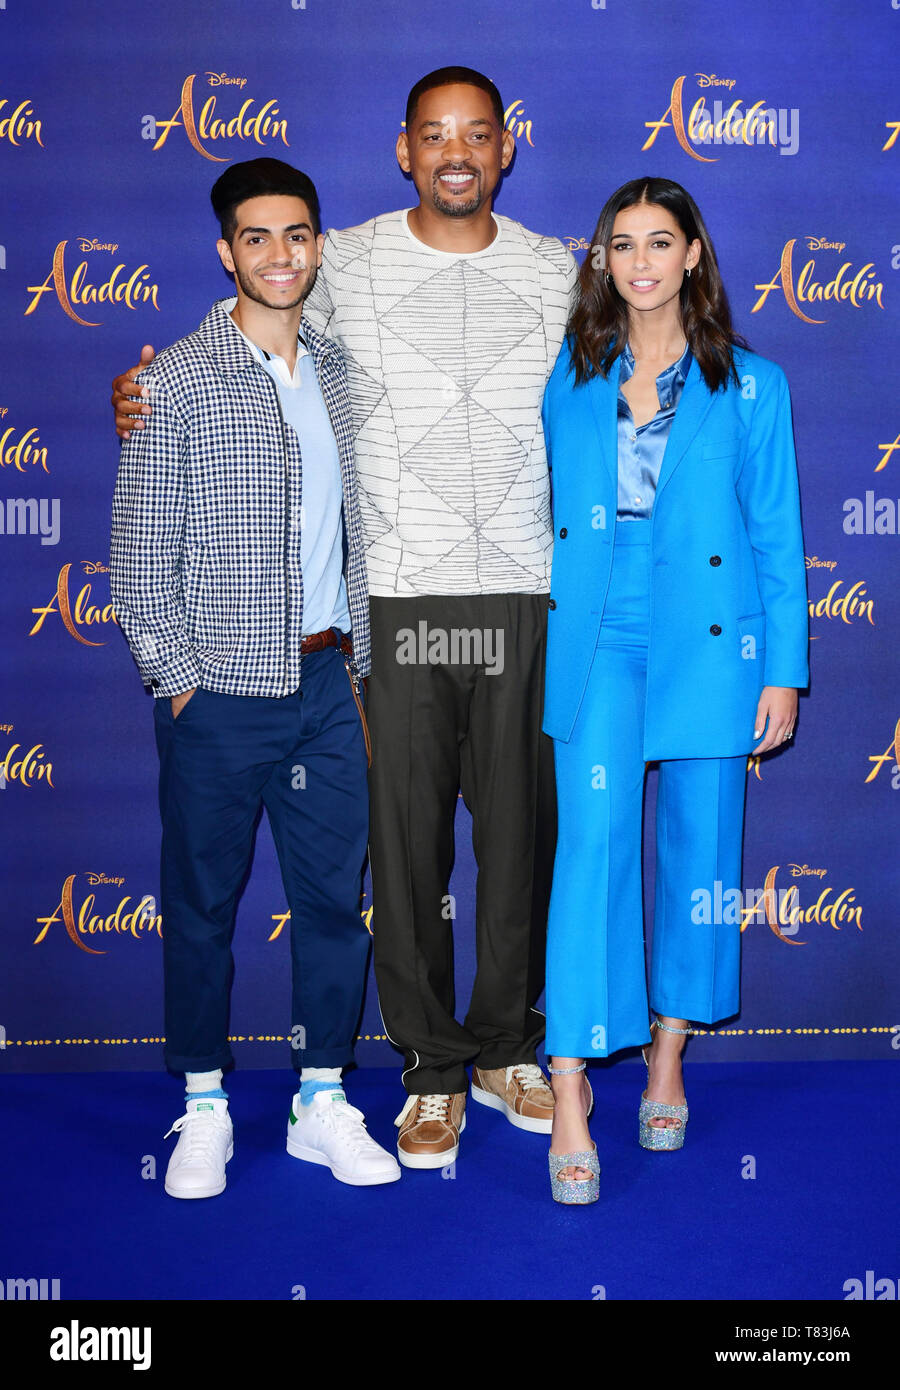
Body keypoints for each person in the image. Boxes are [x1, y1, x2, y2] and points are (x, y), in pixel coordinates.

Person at [111, 69, 579, 1170]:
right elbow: (242, 327)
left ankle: (506, 1050)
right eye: (434, 135)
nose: (456, 152)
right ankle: (423, 1074)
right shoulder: (347, 260)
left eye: (477, 134)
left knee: (518, 848)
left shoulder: (557, 267)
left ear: (507, 147)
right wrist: (146, 388)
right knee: (404, 858)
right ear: (402, 150)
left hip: (520, 591)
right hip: (399, 606)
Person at [109, 157, 401, 1198]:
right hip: (217, 696)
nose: (280, 255)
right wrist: (182, 686)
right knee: (199, 906)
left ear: (318, 244)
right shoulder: (174, 382)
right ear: (224, 251)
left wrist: (359, 675)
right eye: (257, 238)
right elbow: (139, 564)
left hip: (329, 688)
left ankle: (322, 1096)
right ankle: (201, 1105)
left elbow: (354, 537)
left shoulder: (339, 374)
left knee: (333, 903)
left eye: (298, 235)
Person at [540, 177, 808, 1203]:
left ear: (694, 253)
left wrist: (784, 667)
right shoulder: (569, 375)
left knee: (701, 851)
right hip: (600, 633)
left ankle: (664, 1058)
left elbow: (778, 537)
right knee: (591, 848)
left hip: (711, 647)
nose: (641, 261)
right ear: (601, 259)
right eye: (623, 244)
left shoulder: (753, 386)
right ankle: (570, 1086)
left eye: (661, 241)